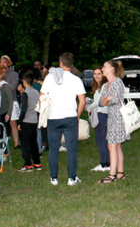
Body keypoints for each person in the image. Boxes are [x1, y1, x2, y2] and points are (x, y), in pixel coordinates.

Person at [40, 52, 86, 186]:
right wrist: (77, 116)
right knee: (71, 148)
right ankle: (72, 178)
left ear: (60, 63)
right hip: (70, 116)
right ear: (72, 64)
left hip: (53, 117)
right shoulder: (76, 79)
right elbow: (82, 101)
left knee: (53, 149)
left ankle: (54, 178)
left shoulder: (49, 78)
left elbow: (41, 96)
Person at [97, 60, 128, 184]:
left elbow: (115, 100)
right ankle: (120, 173)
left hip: (118, 117)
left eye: (104, 67)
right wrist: (107, 100)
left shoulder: (118, 82)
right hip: (111, 117)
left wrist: (107, 100)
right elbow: (101, 102)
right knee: (117, 145)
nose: (102, 69)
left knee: (112, 145)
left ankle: (112, 175)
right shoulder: (105, 85)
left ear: (111, 69)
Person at [86, 66, 110, 172]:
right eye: (95, 74)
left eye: (99, 74)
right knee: (101, 140)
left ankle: (104, 164)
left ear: (103, 74)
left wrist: (89, 107)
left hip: (102, 114)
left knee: (100, 140)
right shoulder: (99, 86)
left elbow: (100, 101)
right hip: (101, 113)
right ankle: (106, 163)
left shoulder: (104, 86)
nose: (96, 76)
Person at [17, 73, 42, 172]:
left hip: (26, 120)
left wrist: (20, 122)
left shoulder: (25, 93)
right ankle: (37, 162)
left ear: (24, 82)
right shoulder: (36, 92)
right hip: (34, 120)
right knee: (34, 143)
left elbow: (23, 109)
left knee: (25, 144)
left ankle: (28, 164)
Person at [0, 65, 15, 150]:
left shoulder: (5, 86)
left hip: (3, 112)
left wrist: (9, 113)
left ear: (1, 75)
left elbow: (10, 101)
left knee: (2, 133)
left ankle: (3, 151)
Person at [0, 55, 20, 147]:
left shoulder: (14, 74)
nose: (2, 64)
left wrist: (4, 86)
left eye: (4, 62)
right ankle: (2, 141)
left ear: (8, 63)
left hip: (12, 100)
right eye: (1, 62)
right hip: (1, 101)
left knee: (13, 122)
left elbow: (13, 87)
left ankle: (16, 143)